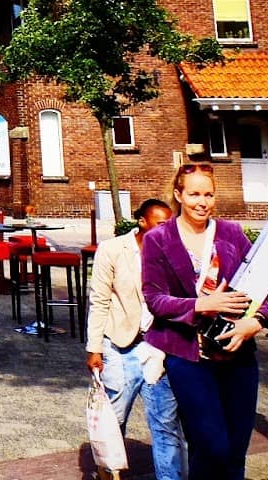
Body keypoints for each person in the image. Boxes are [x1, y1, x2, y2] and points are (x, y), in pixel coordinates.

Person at [142, 161, 268, 480]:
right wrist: (201, 304)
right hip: (189, 358)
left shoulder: (231, 233)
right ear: (178, 194)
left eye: (208, 194)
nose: (201, 202)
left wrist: (255, 322)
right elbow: (155, 299)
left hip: (238, 355)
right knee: (211, 446)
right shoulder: (158, 239)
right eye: (193, 194)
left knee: (235, 450)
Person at [86, 198, 186, 480]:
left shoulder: (173, 254)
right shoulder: (113, 249)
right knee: (114, 419)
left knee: (166, 422)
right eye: (161, 223)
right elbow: (100, 301)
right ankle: (108, 472)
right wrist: (94, 348)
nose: (168, 229)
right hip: (119, 345)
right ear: (142, 221)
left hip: (157, 348)